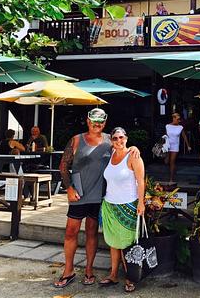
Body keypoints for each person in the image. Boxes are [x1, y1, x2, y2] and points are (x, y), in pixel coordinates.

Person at [54, 109, 139, 289]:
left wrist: (134, 147)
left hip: (99, 195)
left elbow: (125, 150)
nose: (96, 124)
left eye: (100, 122)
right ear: (87, 121)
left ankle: (89, 270)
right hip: (78, 193)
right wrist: (68, 187)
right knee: (71, 232)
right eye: (93, 121)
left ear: (105, 123)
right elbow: (63, 165)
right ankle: (68, 271)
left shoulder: (111, 140)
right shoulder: (77, 140)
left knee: (92, 233)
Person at [100, 127, 145, 293]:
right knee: (113, 242)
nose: (119, 141)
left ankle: (130, 277)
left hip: (128, 205)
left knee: (127, 243)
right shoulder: (111, 154)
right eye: (115, 138)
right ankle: (113, 274)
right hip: (110, 205)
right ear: (111, 141)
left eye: (121, 138)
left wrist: (141, 203)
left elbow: (141, 182)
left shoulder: (133, 155)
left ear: (126, 138)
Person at [165, 113, 191, 182]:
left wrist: (188, 146)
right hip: (168, 145)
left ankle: (171, 178)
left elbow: (184, 136)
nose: (179, 121)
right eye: (177, 119)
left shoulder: (180, 127)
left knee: (172, 161)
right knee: (166, 161)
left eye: (179, 119)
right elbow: (165, 136)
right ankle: (169, 172)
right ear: (173, 118)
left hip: (175, 146)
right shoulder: (167, 126)